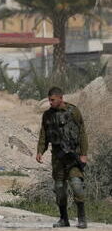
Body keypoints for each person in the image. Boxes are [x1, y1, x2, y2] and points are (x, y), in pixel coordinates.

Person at [36, 86, 88, 229]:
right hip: (58, 157)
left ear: (60, 98)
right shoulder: (47, 115)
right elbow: (44, 135)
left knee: (77, 185)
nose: (50, 103)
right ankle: (64, 219)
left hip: (73, 156)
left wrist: (83, 153)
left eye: (52, 100)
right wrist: (40, 151)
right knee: (59, 188)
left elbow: (82, 132)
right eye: (49, 100)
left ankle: (82, 219)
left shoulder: (73, 111)